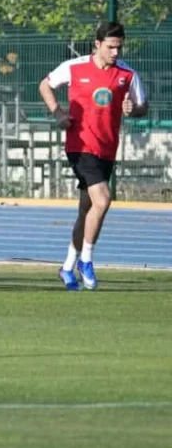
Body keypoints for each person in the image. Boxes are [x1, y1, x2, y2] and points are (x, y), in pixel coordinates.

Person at [39, 21, 147, 291]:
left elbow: (142, 106)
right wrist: (59, 114)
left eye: (119, 47)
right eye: (110, 47)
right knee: (103, 199)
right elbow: (45, 85)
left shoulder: (127, 74)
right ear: (97, 44)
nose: (115, 53)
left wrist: (133, 109)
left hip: (107, 148)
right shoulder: (74, 67)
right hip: (80, 146)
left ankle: (67, 266)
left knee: (87, 210)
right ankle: (86, 260)